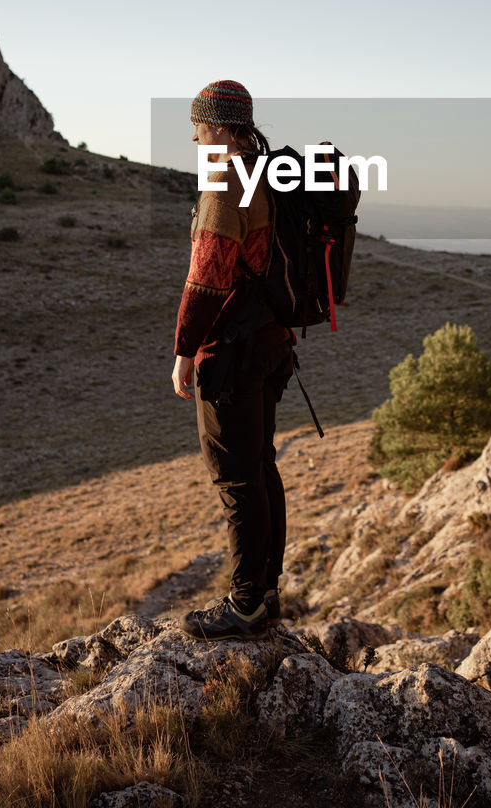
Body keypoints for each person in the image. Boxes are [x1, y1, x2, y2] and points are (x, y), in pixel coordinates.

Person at [172, 79, 294, 641]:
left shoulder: (224, 184)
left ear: (220, 127)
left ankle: (244, 605)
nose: (195, 137)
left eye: (199, 126)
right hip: (270, 345)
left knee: (237, 481)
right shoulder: (265, 173)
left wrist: (182, 352)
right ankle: (266, 593)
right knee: (261, 467)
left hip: (232, 356)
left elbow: (206, 281)